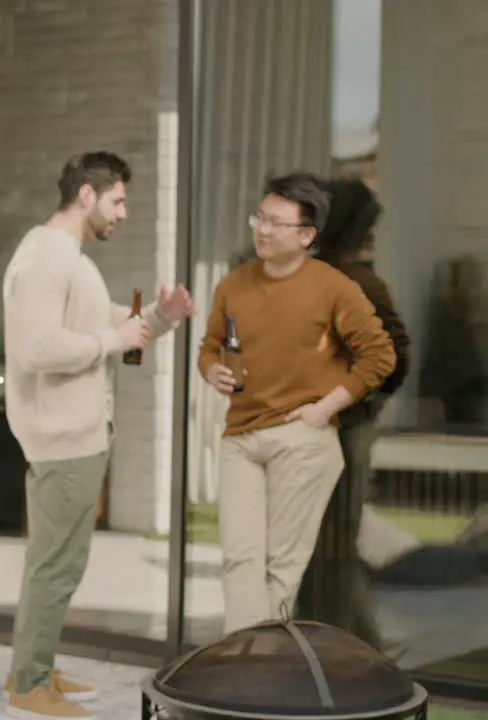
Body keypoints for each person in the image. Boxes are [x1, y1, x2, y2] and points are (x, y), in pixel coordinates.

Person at [1, 151, 194, 720]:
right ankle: (29, 683)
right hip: (62, 437)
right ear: (86, 195)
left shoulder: (67, 257)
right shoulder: (45, 258)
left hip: (78, 435)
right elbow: (39, 348)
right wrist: (119, 339)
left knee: (59, 562)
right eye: (118, 200)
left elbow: (107, 322)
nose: (124, 213)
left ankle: (35, 668)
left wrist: (160, 317)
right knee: (55, 566)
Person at [199, 171, 395, 635]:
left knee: (280, 570)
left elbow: (380, 354)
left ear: (307, 235)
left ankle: (253, 668)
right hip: (241, 437)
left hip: (302, 440)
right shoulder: (233, 286)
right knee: (239, 560)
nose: (262, 230)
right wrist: (211, 369)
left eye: (276, 223)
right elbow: (209, 346)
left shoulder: (334, 287)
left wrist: (325, 409)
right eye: (259, 218)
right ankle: (252, 664)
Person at [295, 177, 410, 651]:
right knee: (320, 544)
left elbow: (395, 355)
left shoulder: (356, 280)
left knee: (333, 544)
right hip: (318, 427)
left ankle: (345, 648)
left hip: (346, 426)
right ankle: (348, 644)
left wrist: (366, 398)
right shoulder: (324, 276)